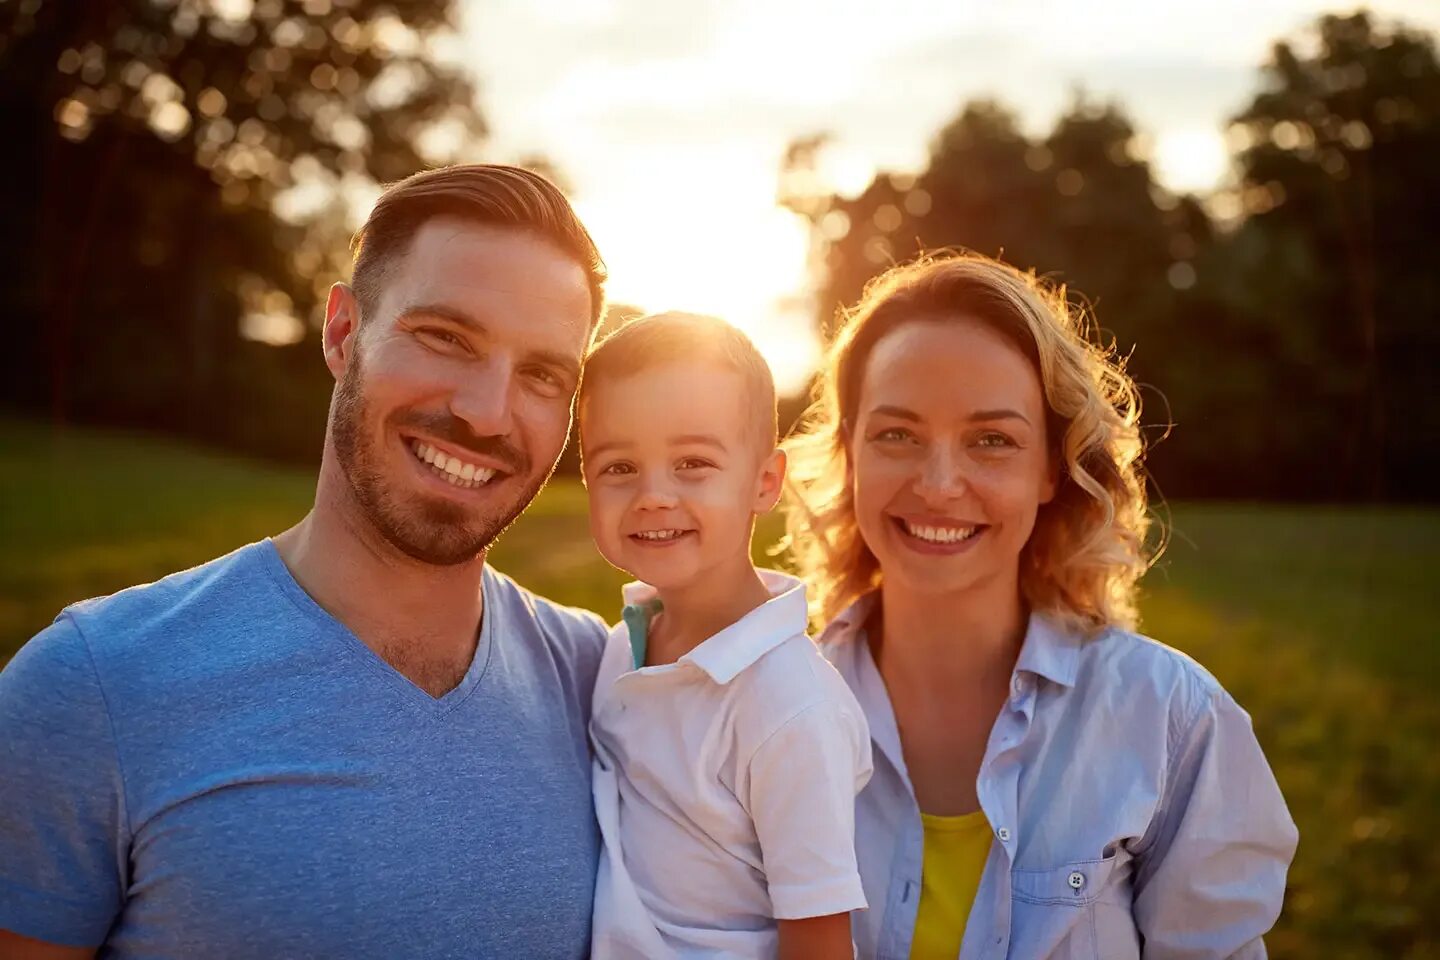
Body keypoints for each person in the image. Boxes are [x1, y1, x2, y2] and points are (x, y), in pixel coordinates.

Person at [0, 165, 612, 959]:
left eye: (542, 375)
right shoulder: (93, 689)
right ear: (341, 332)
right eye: (446, 338)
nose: (487, 413)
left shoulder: (604, 686)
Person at [783, 253, 1299, 959]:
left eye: (991, 440)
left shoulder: (1171, 720)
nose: (938, 485)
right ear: (849, 453)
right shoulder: (767, 707)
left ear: (1052, 469)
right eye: (896, 434)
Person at [577, 312, 872, 959]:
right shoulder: (623, 640)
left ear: (765, 481)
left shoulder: (789, 706)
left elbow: (819, 938)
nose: (653, 495)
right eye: (618, 467)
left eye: (692, 462)